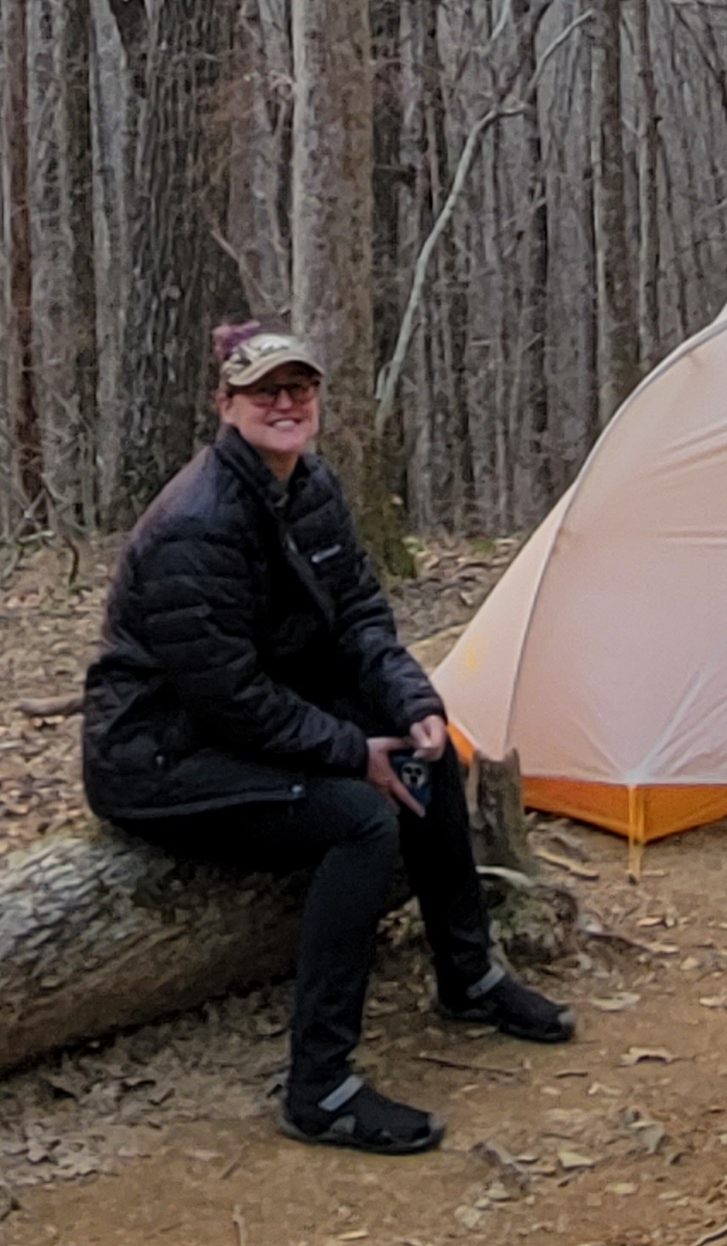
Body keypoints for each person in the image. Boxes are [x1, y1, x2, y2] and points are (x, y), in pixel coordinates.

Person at [82, 321, 572, 1154]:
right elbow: (226, 695)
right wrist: (348, 751)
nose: (285, 404)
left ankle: (469, 976)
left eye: (299, 388)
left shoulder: (310, 485)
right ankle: (320, 1086)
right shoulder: (195, 524)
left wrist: (411, 702)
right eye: (264, 392)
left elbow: (359, 618)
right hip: (161, 753)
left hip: (256, 713)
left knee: (431, 756)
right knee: (360, 819)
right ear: (225, 405)